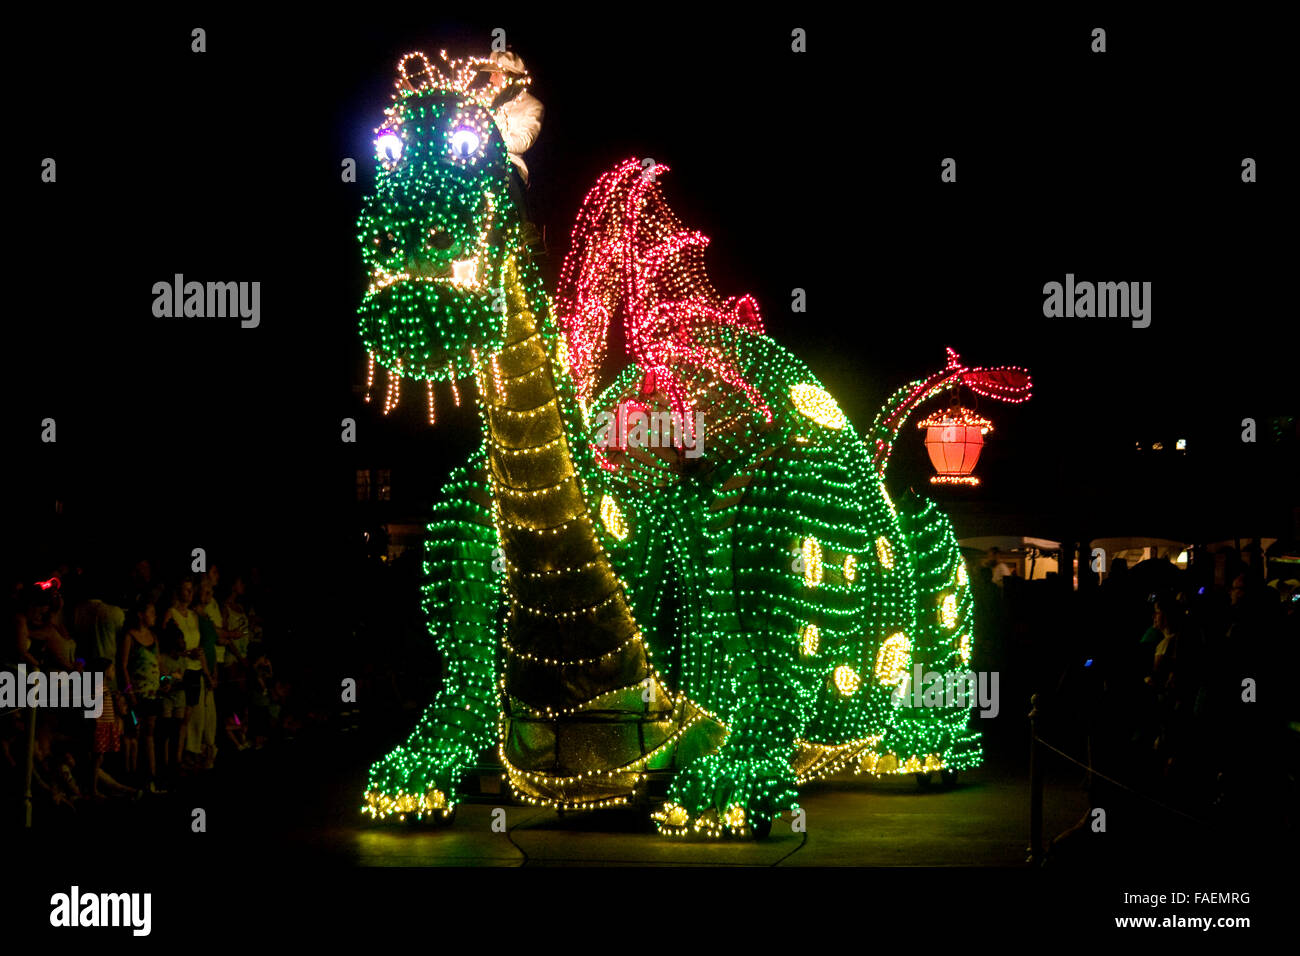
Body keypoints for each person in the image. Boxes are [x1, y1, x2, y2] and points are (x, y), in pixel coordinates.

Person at [481, 51, 544, 248]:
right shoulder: (484, 99)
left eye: (495, 74)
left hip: (509, 162)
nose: (490, 78)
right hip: (477, 160)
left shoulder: (532, 105)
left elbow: (524, 140)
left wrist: (493, 144)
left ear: (508, 76)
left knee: (504, 169)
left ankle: (526, 225)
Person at [120, 600, 165, 792]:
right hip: (137, 694)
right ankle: (132, 775)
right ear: (140, 614)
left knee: (150, 732)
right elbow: (122, 665)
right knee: (135, 733)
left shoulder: (154, 637)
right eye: (151, 612)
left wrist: (164, 680)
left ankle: (151, 775)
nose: (154, 616)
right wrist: (129, 691)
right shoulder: (130, 637)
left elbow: (157, 663)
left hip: (153, 693)